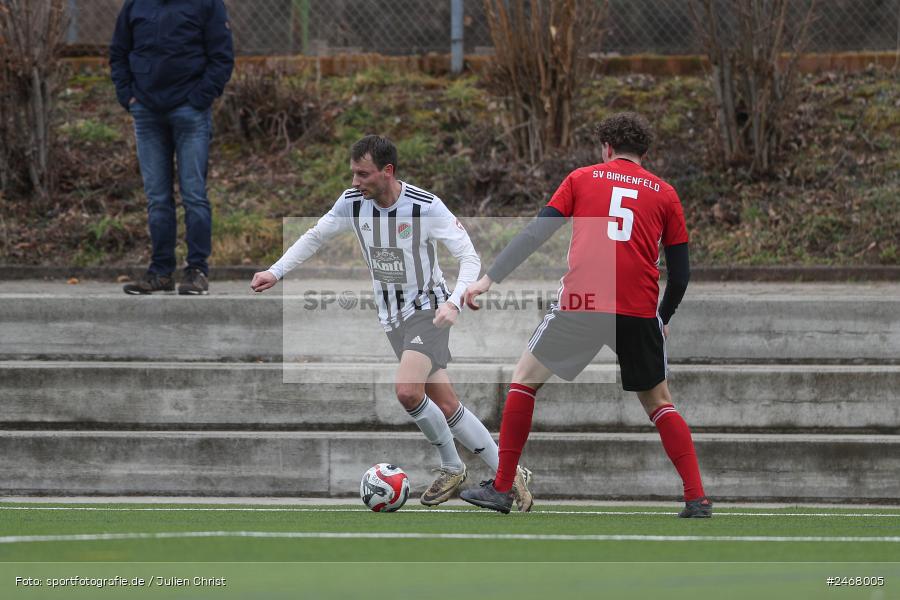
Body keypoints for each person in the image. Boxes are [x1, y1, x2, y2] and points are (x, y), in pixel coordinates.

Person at [251, 135, 533, 510]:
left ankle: (455, 467)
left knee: (407, 391)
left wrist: (454, 303)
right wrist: (275, 271)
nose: (355, 182)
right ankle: (508, 474)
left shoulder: (425, 206)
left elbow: (469, 256)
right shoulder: (352, 203)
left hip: (428, 310)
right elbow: (315, 236)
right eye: (353, 173)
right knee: (446, 403)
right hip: (391, 317)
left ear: (387, 171)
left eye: (363, 174)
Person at [459, 112, 711, 517]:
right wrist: (662, 318)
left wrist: (488, 280)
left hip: (584, 302)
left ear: (606, 148)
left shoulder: (581, 178)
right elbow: (680, 275)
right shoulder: (665, 193)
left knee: (524, 380)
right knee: (660, 403)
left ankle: (503, 488)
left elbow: (536, 233)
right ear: (643, 154)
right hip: (637, 309)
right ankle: (697, 498)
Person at [110, 0, 234, 295]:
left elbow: (222, 57)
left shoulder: (207, 4)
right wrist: (128, 96)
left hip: (190, 112)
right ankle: (160, 273)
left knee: (194, 196)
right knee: (157, 199)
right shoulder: (135, 5)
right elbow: (118, 53)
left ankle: (196, 272)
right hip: (146, 113)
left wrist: (199, 98)